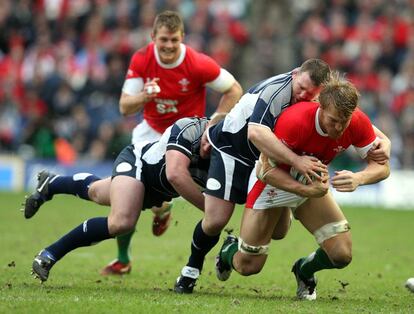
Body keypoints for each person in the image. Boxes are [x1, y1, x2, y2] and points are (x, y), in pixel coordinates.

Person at [25, 10, 242, 276]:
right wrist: (143, 96)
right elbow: (125, 107)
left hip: (185, 141)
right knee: (125, 213)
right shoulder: (142, 59)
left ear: (182, 38)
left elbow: (234, 89)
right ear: (153, 38)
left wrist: (214, 122)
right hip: (148, 139)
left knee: (102, 193)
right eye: (163, 40)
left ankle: (54, 184)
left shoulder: (197, 63)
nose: (169, 46)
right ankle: (123, 256)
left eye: (174, 40)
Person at [173, 59, 391, 294]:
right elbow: (264, 168)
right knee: (248, 264)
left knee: (341, 255)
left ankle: (305, 271)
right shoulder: (292, 118)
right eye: (333, 122)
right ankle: (225, 253)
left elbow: (382, 165)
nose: (339, 129)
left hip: (307, 180)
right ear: (320, 107)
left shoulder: (351, 118)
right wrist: (302, 176)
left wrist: (360, 177)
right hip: (263, 172)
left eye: (344, 123)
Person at [29, 115, 223, 282]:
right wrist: (213, 211)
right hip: (138, 163)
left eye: (213, 146)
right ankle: (49, 255)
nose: (207, 147)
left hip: (158, 192)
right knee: (122, 222)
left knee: (96, 192)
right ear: (206, 128)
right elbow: (175, 174)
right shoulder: (189, 127)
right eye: (207, 139)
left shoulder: (227, 158)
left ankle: (51, 183)